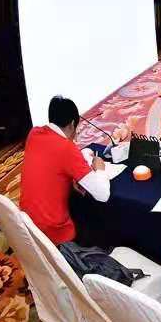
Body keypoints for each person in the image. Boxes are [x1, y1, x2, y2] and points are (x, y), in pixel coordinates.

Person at [20, 96, 111, 245]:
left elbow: (51, 165)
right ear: (72, 124)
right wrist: (100, 169)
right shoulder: (67, 148)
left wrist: (71, 177)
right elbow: (103, 195)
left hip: (27, 226)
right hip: (54, 234)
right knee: (91, 216)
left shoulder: (34, 134)